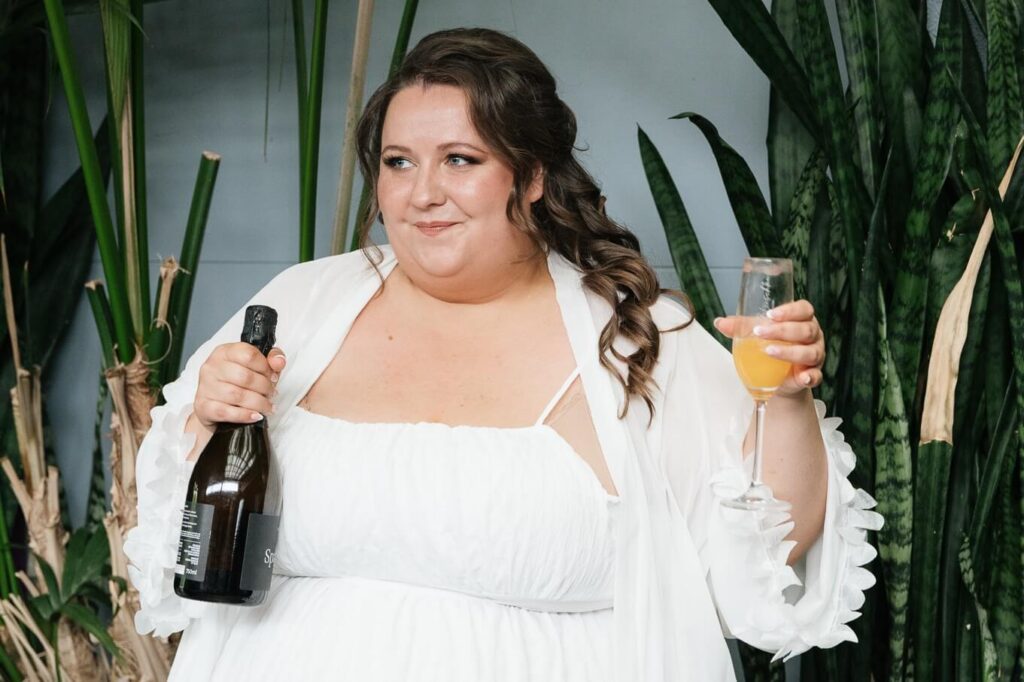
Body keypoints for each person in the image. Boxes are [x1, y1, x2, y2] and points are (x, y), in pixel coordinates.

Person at [124, 27, 882, 682]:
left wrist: (788, 398)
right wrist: (208, 424)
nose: (422, 193)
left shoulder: (636, 334)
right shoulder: (301, 304)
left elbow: (765, 554)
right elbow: (181, 529)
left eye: (459, 159)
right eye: (398, 162)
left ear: (533, 176)